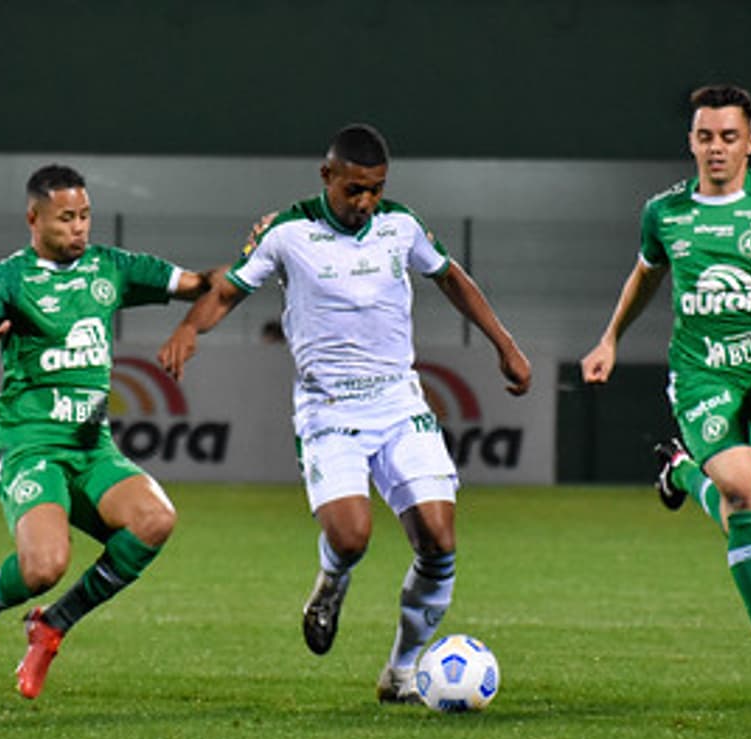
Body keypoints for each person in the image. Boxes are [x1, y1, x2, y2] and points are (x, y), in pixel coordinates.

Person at [159, 123, 532, 704]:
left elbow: (451, 278)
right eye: (354, 190)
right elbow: (229, 289)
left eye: (375, 190)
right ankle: (330, 585)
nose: (365, 203)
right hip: (329, 407)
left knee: (438, 539)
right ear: (327, 176)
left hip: (399, 401)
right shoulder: (286, 232)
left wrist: (504, 345)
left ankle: (402, 673)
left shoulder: (400, 225)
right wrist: (189, 326)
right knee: (351, 536)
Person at [579, 84, 751, 701]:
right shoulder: (666, 213)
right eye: (706, 136)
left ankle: (680, 473)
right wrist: (610, 339)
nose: (717, 148)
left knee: (747, 514)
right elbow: (645, 276)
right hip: (702, 377)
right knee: (746, 489)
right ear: (691, 142)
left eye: (729, 137)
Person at [0, 164, 209, 699]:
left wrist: (261, 256)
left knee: (155, 520)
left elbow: (201, 283)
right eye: (66, 218)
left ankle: (52, 625)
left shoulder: (113, 267)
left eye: (84, 216)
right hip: (29, 444)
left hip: (90, 446)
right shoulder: (9, 278)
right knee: (43, 567)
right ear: (33, 218)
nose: (79, 228)